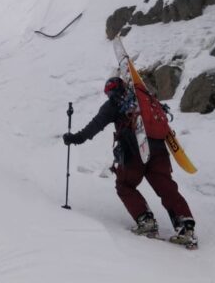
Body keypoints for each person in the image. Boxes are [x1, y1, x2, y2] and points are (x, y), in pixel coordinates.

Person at [63, 76, 197, 246]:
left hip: (134, 151)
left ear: (110, 92)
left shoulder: (113, 104)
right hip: (159, 150)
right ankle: (186, 225)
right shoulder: (145, 100)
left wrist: (74, 138)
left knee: (124, 185)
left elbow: (94, 127)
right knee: (166, 187)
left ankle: (146, 221)